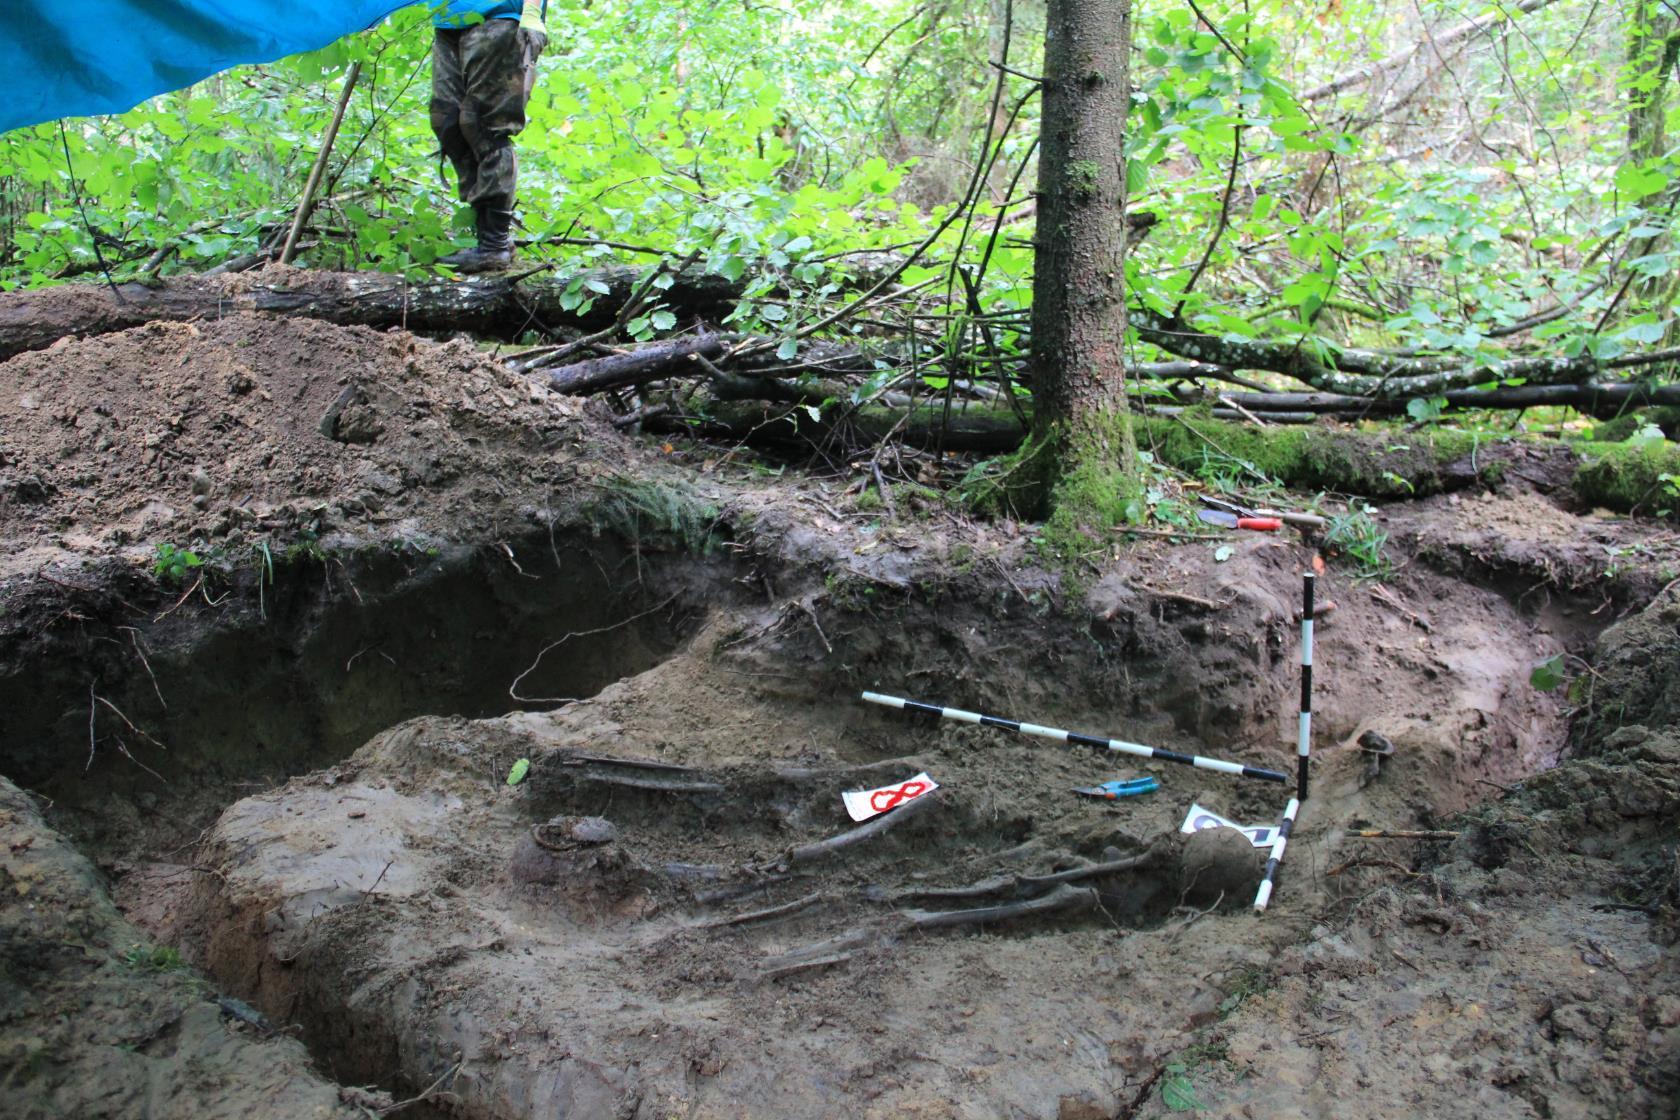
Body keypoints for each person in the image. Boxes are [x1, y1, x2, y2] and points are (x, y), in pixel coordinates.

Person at [429, 1, 548, 272]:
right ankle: (487, 235)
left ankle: (493, 244)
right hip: (446, 17)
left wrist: (531, 17)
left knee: (485, 125)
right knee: (446, 121)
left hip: (503, 15)